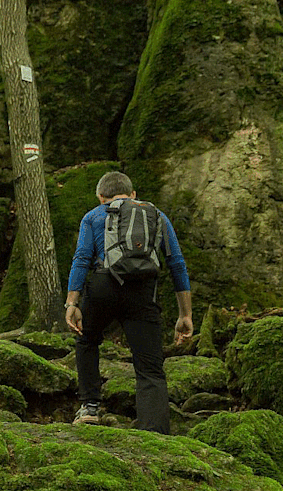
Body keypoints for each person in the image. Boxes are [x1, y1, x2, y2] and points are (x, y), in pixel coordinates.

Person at [64, 171, 193, 434]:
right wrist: (185, 314)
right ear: (133, 194)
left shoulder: (93, 216)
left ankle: (89, 407)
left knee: (87, 340)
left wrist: (72, 303)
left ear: (101, 196)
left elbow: (81, 259)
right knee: (150, 366)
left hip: (103, 286)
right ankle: (154, 428)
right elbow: (176, 263)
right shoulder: (156, 215)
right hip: (142, 291)